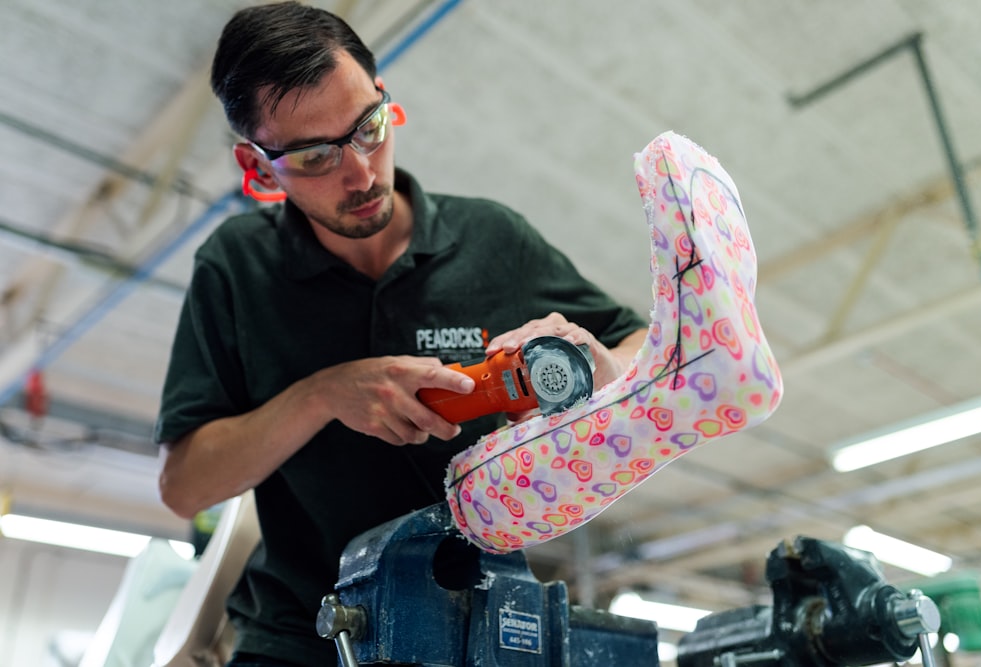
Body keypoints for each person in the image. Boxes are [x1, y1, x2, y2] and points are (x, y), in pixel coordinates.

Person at [154, 2, 647, 665]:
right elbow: (185, 484)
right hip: (301, 637)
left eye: (368, 127)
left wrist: (602, 365)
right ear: (257, 163)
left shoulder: (492, 239)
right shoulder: (237, 267)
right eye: (314, 156)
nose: (359, 173)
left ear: (386, 99)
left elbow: (641, 341)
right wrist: (322, 395)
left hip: (480, 631)